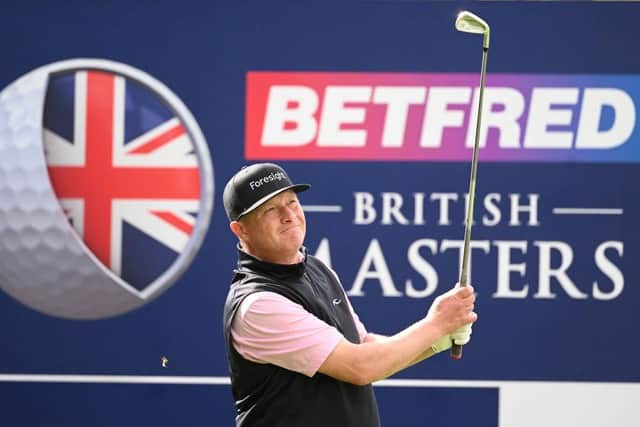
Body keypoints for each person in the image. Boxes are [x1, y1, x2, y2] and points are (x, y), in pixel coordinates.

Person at [222, 163, 477, 427]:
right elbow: (360, 367)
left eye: (292, 202)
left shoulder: (318, 269)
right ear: (240, 230)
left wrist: (440, 339)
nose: (289, 215)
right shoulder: (257, 304)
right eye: (271, 209)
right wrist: (435, 324)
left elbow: (365, 347)